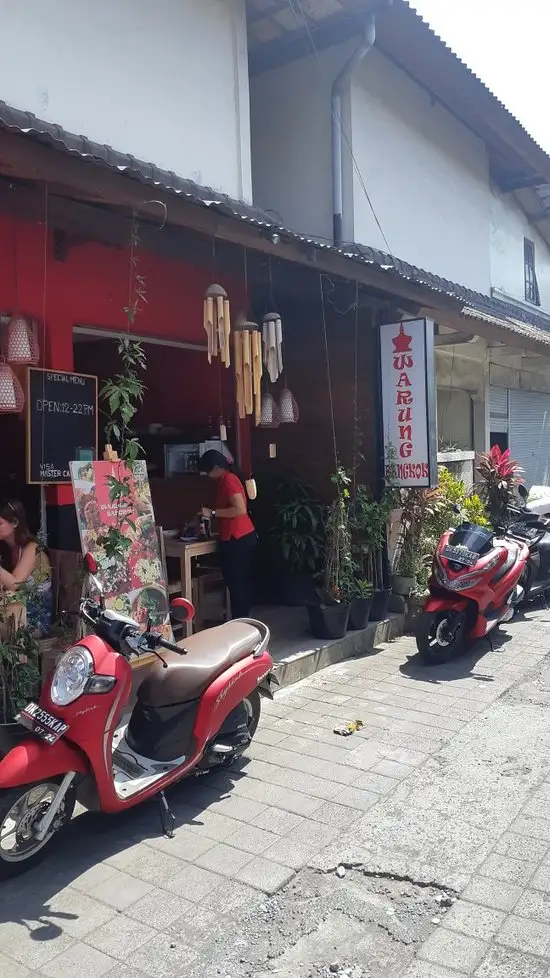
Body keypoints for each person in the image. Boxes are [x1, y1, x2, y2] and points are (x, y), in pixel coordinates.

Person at [198, 450, 256, 619]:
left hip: (237, 538)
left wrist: (213, 513)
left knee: (237, 584)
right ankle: (242, 620)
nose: (207, 475)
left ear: (216, 468)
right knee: (240, 583)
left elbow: (240, 509)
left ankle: (240, 622)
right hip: (242, 536)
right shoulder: (227, 479)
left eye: (207, 471)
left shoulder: (229, 481)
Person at [0, 500, 52, 636]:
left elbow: (14, 584)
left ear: (15, 523)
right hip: (14, 613)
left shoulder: (33, 548)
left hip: (35, 618)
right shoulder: (6, 550)